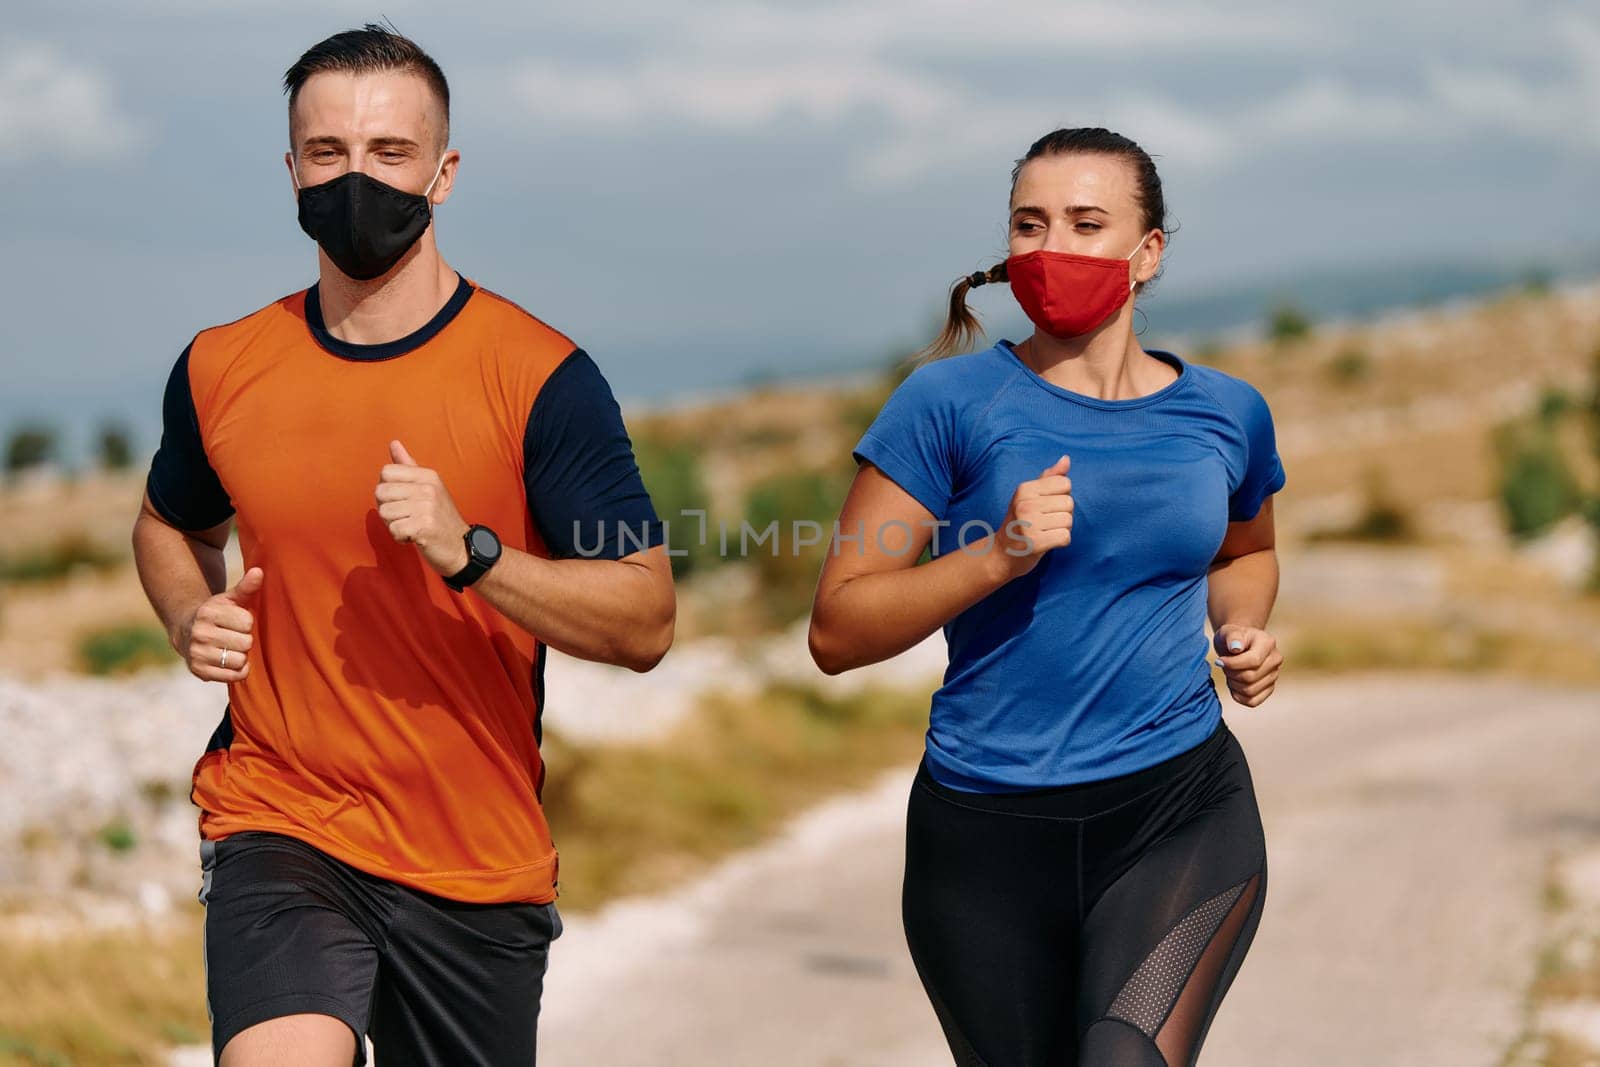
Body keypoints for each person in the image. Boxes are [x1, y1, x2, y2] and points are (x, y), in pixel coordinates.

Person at [131, 24, 675, 1066]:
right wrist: (186, 614)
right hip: (281, 814)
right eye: (326, 153)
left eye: (387, 153)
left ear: (444, 170)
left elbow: (645, 615)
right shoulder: (221, 365)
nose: (353, 178)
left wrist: (472, 553)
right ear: (290, 168)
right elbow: (169, 521)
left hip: (471, 853)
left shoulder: (541, 377)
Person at [808, 126, 1285, 1066]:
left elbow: (1247, 549)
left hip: (1178, 810)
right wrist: (997, 555)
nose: (1051, 245)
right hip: (984, 837)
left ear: (1147, 254)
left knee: (1123, 1055)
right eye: (1030, 224)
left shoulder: (1226, 412)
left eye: (1086, 221)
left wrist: (1242, 627)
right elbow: (838, 626)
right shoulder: (945, 404)